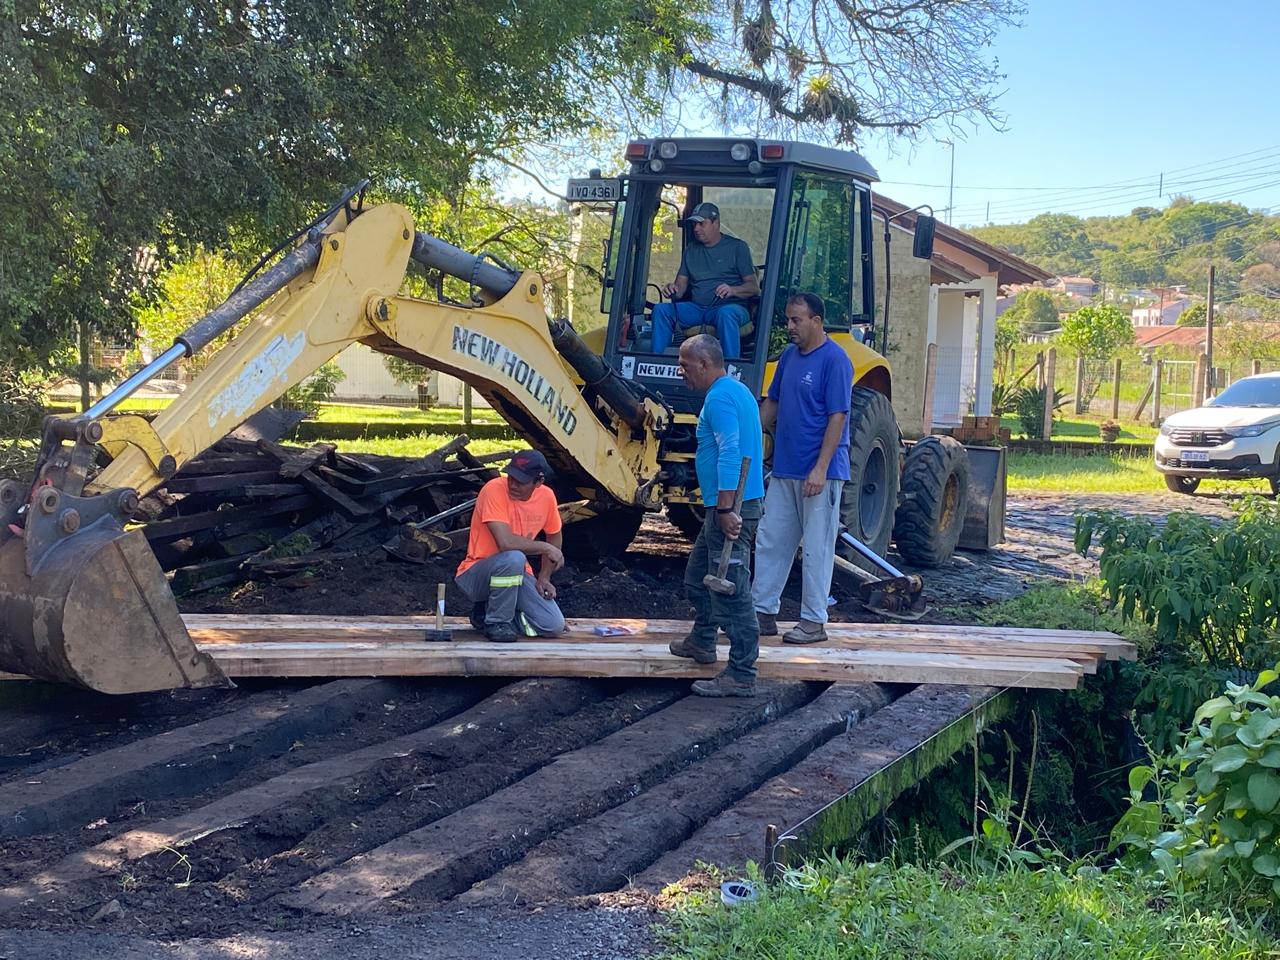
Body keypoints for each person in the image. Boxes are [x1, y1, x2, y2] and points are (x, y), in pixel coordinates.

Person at [752, 292, 853, 645]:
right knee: (771, 540)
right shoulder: (789, 359)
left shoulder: (835, 361)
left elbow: (838, 416)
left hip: (819, 473)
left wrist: (821, 468)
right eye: (788, 320)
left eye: (796, 320)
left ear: (816, 321)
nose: (789, 327)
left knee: (816, 547)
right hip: (785, 468)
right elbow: (773, 403)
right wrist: (750, 435)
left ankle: (813, 621)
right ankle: (762, 612)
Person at [668, 334, 766, 696]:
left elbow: (731, 452)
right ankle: (703, 641)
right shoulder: (735, 391)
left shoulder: (721, 397)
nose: (681, 371)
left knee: (733, 590)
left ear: (706, 364)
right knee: (697, 578)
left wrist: (725, 509)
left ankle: (742, 673)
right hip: (724, 506)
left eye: (685, 364)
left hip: (733, 507)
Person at [454, 449, 566, 643]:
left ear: (538, 482)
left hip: (516, 574)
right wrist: (546, 549)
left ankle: (488, 614)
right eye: (510, 477)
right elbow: (506, 543)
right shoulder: (493, 489)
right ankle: (496, 622)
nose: (513, 485)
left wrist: (544, 577)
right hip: (474, 575)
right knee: (514, 557)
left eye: (520, 481)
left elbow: (554, 536)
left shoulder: (547, 497)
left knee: (553, 625)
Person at [650, 202, 760, 359]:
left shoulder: (737, 247)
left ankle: (730, 368)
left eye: (702, 224)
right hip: (698, 309)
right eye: (694, 224)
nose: (696, 229)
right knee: (661, 310)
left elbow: (753, 287)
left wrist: (732, 290)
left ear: (716, 223)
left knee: (726, 314)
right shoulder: (691, 250)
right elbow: (680, 289)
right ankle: (657, 362)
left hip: (730, 308)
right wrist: (671, 288)